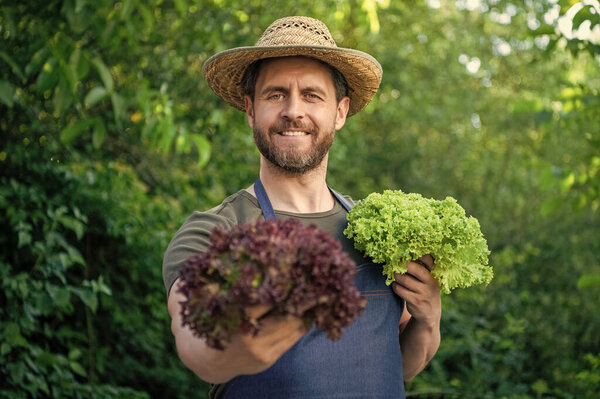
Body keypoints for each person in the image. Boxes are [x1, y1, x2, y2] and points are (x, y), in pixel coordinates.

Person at [163, 16, 441, 398]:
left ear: (340, 112)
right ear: (250, 110)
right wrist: (232, 349)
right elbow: (195, 343)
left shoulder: (379, 231)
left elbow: (401, 365)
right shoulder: (216, 231)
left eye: (312, 95)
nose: (293, 110)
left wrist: (428, 320)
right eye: (275, 94)